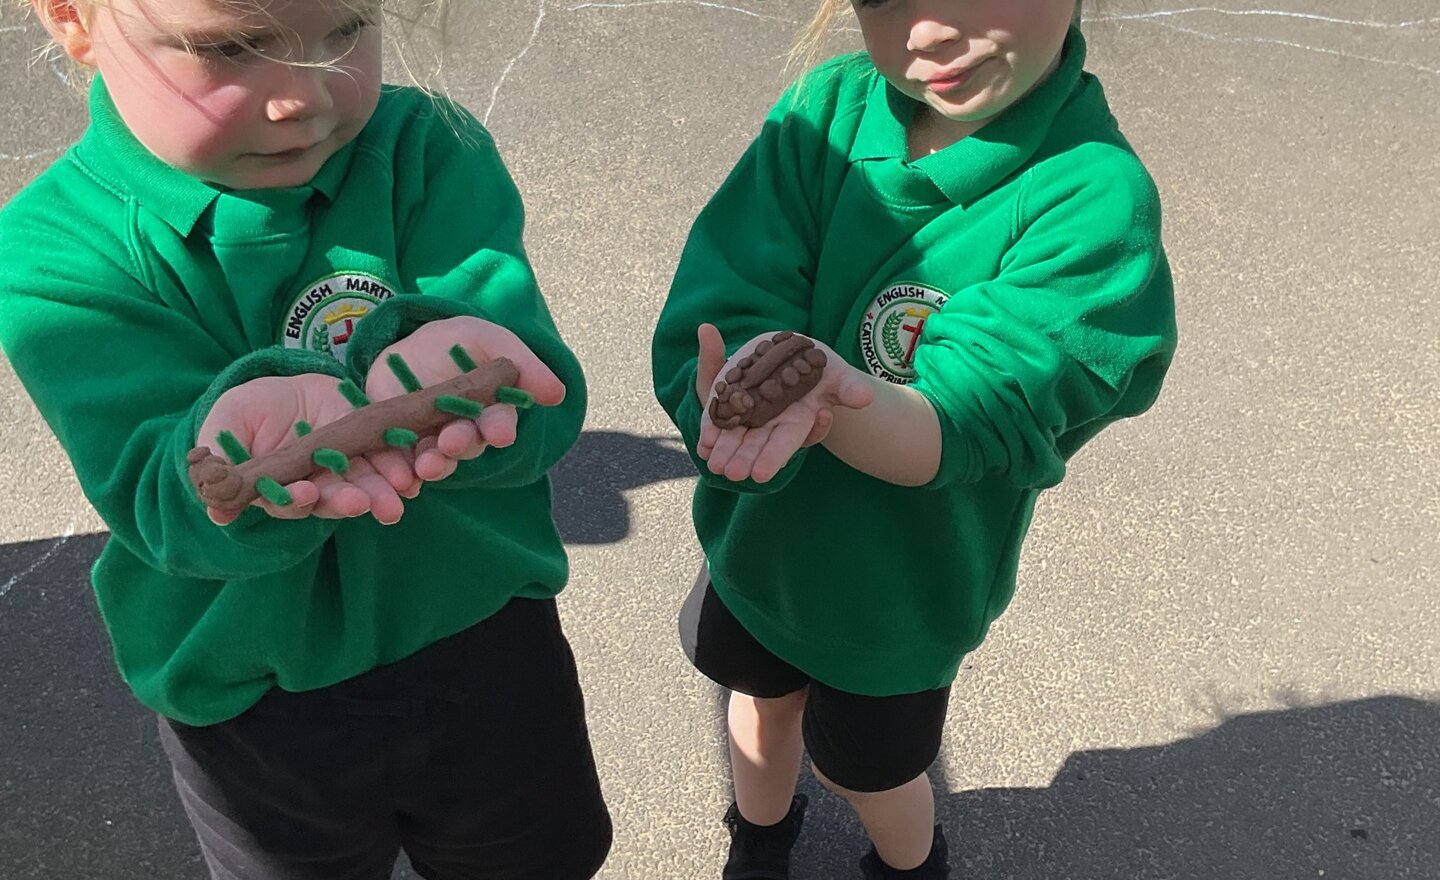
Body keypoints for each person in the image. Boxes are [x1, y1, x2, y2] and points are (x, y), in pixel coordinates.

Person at [0, 0, 612, 877]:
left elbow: (541, 400)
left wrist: (489, 379)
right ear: (73, 17)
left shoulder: (426, 146)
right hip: (253, 693)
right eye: (236, 46)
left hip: (481, 634)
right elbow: (157, 503)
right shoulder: (53, 251)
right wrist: (219, 462)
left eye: (349, 26)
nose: (306, 97)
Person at [651, 0, 1177, 877]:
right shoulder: (826, 112)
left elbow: (978, 407)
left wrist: (837, 398)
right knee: (757, 699)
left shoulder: (1091, 196)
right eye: (885, 0)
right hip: (759, 548)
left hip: (899, 600)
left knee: (873, 771)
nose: (927, 33)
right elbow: (731, 281)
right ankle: (760, 837)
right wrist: (733, 377)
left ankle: (910, 862)